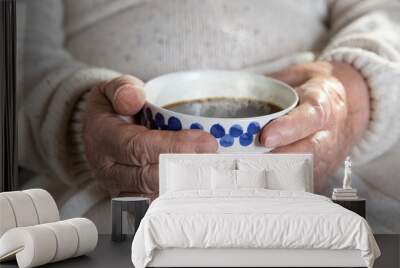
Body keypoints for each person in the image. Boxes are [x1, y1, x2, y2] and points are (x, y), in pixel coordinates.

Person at [18, 0, 400, 233]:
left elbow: (385, 14)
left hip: (325, 146)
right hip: (118, 182)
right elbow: (18, 59)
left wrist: (351, 94)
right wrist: (76, 118)